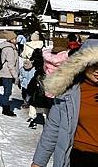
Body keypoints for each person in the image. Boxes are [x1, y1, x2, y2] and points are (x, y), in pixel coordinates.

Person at [31, 39, 98, 167]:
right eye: (93, 64)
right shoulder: (68, 91)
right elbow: (53, 128)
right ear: (82, 64)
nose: (97, 71)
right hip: (78, 157)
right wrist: (38, 162)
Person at [0, 30, 20, 116]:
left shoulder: (7, 47)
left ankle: (5, 107)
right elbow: (11, 65)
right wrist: (16, 76)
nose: (16, 39)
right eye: (15, 38)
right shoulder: (10, 49)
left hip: (5, 73)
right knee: (7, 92)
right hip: (7, 74)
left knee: (7, 92)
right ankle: (6, 109)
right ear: (11, 39)